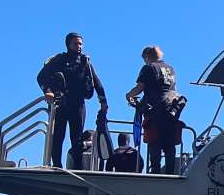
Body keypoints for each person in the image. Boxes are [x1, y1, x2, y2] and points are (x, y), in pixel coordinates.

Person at [37, 32, 108, 169]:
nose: (79, 47)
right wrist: (48, 91)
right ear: (68, 45)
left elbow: (97, 83)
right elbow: (41, 77)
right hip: (61, 103)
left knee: (77, 139)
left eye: (80, 44)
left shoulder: (85, 62)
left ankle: (77, 167)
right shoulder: (59, 60)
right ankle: (56, 165)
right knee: (58, 136)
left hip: (78, 105)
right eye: (76, 44)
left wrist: (103, 102)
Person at [125, 45, 181, 174]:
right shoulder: (170, 69)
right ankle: (170, 174)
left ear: (147, 56)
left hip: (155, 112)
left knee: (154, 144)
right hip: (171, 110)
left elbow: (140, 87)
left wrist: (129, 95)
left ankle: (155, 173)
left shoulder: (149, 67)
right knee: (169, 146)